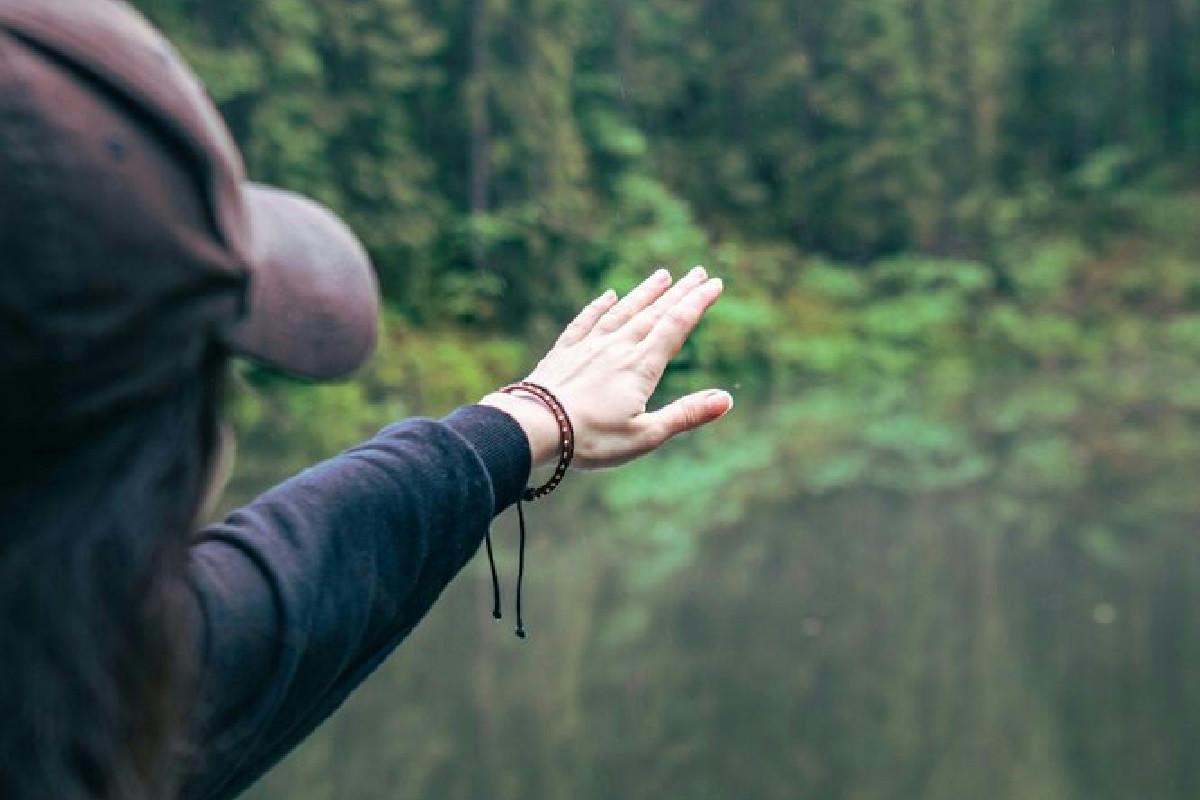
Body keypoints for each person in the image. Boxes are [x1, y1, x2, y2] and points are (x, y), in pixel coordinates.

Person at [0, 2, 732, 799]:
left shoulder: (54, 676)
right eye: (212, 367)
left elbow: (297, 573)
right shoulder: (86, 710)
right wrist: (526, 422)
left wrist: (526, 421)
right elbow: (269, 606)